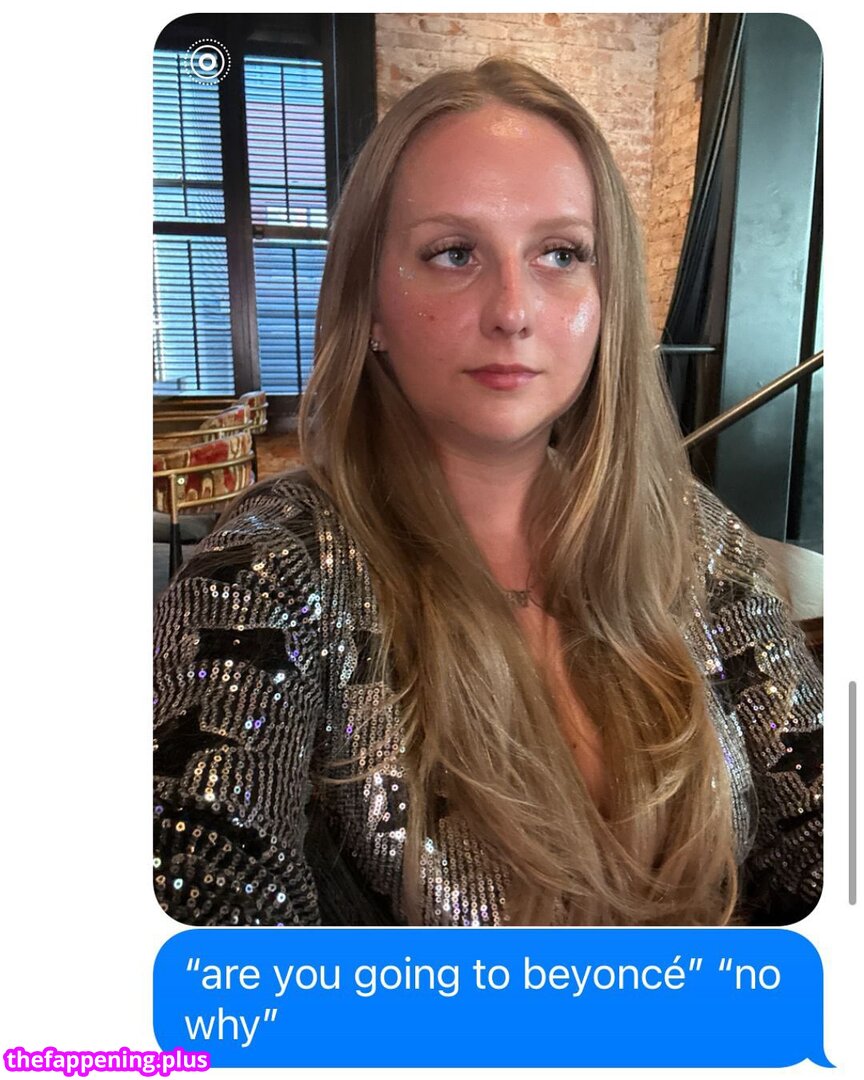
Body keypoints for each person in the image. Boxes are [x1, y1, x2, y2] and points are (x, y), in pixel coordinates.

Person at [153, 58, 822, 927]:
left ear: (606, 298)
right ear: (372, 304)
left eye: (560, 254)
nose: (514, 309)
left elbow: (822, 839)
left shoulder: (697, 538)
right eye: (454, 253)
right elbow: (209, 937)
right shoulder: (268, 571)